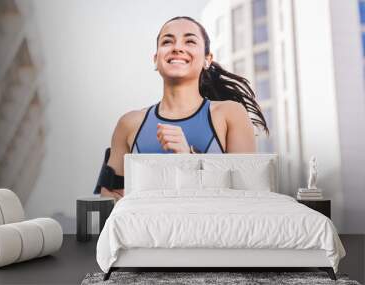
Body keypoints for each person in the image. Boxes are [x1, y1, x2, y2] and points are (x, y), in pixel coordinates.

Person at [100, 16, 269, 201]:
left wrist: (188, 158)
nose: (177, 47)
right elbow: (110, 197)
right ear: (156, 59)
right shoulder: (129, 123)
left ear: (207, 60)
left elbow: (246, 196)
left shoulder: (231, 114)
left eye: (189, 41)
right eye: (167, 41)